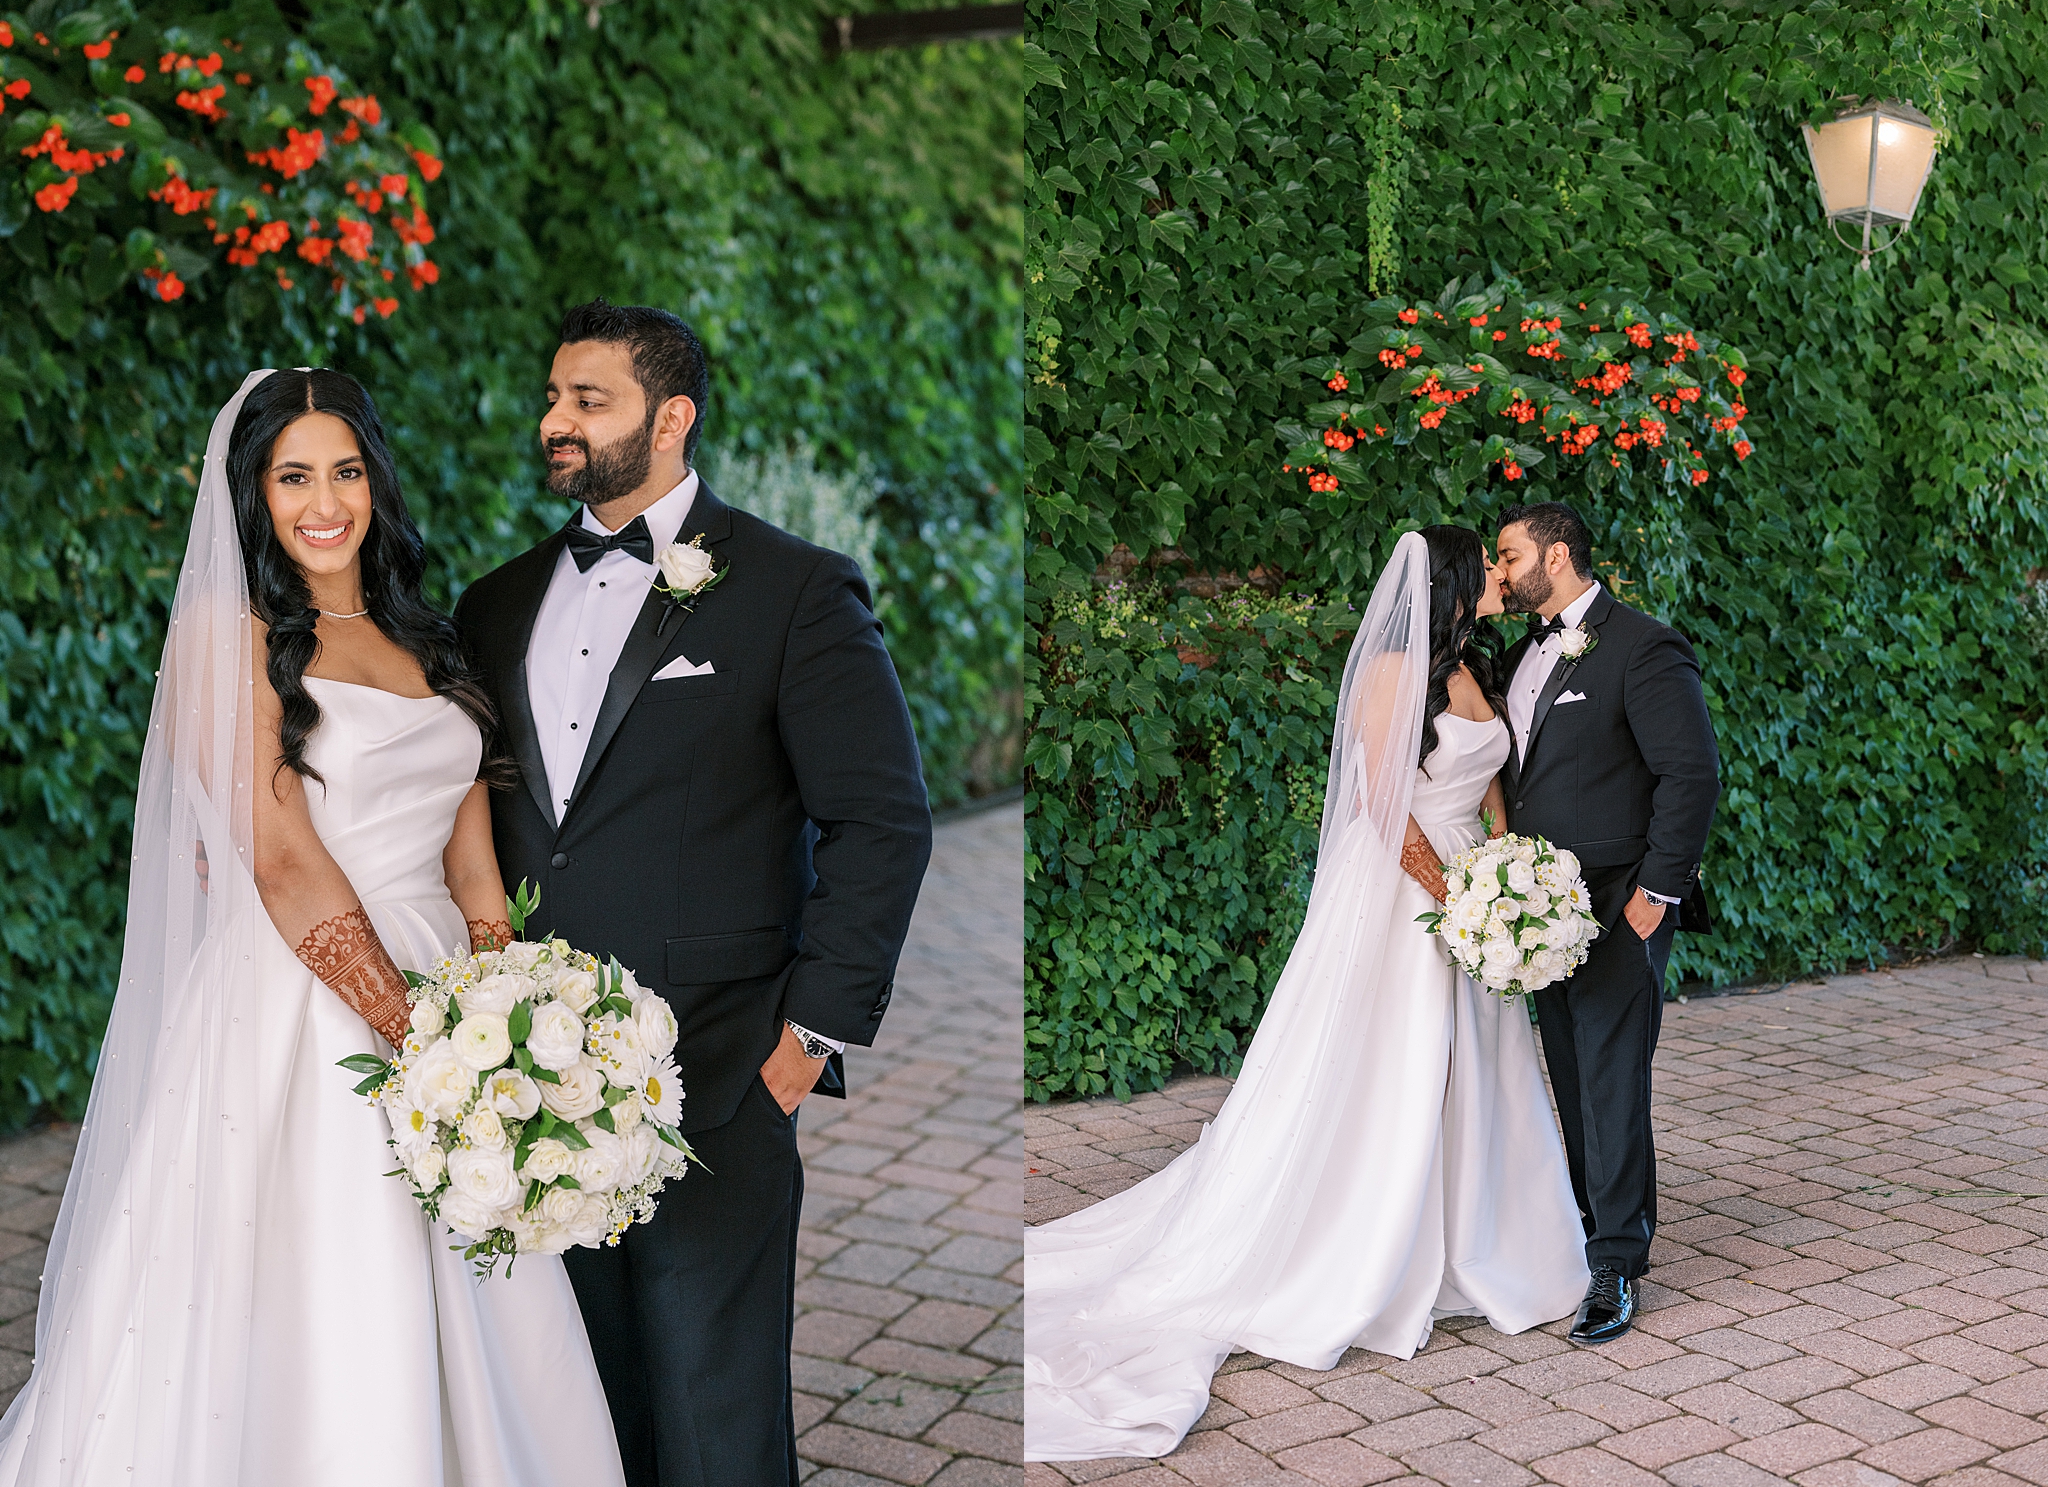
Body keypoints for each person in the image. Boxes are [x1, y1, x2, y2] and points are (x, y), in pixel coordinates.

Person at [0, 368, 625, 1485]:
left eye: (344, 471)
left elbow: (470, 852)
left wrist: (511, 1022)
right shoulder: (222, 637)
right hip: (305, 1000)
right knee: (335, 1276)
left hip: (448, 991)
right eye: (293, 477)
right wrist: (413, 1036)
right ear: (254, 495)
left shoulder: (421, 635)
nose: (324, 501)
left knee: (479, 1284)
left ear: (375, 482)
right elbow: (283, 860)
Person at [455, 300, 933, 1487]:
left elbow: (880, 820)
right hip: (528, 1078)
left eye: (588, 400)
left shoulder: (795, 590)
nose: (555, 421)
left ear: (671, 418)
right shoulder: (495, 603)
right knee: (575, 1397)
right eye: (553, 395)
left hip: (716, 1070)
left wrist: (806, 1042)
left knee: (710, 1402)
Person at [1023, 526, 1587, 1463]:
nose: (1499, 573)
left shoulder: (1473, 667)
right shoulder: (1389, 674)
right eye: (1486, 564)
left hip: (1478, 889)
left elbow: (1490, 781)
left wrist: (1504, 875)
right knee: (1392, 1072)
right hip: (1408, 898)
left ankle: (1480, 1247)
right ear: (1452, 579)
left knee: (1476, 1074)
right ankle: (1370, 1249)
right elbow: (1378, 801)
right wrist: (1457, 903)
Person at [1494, 500, 1720, 1344]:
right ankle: (1594, 1233)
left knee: (1612, 1081)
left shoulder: (1642, 644)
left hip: (1621, 905)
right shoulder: (1519, 653)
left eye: (1510, 556)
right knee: (1571, 1075)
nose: (1502, 571)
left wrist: (1651, 898)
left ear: (1556, 556)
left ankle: (1617, 1265)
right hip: (1539, 916)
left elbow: (1691, 776)